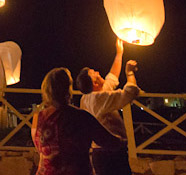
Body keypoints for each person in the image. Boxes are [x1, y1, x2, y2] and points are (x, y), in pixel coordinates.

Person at [31, 68, 125, 175]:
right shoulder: (81, 116)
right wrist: (123, 141)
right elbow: (109, 141)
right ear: (68, 88)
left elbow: (39, 147)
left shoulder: (38, 117)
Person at [75, 41, 140, 175]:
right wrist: (129, 74)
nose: (98, 72)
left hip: (99, 153)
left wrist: (119, 53)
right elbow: (130, 92)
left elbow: (112, 78)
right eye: (95, 73)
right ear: (95, 83)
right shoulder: (99, 99)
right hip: (111, 154)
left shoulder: (88, 97)